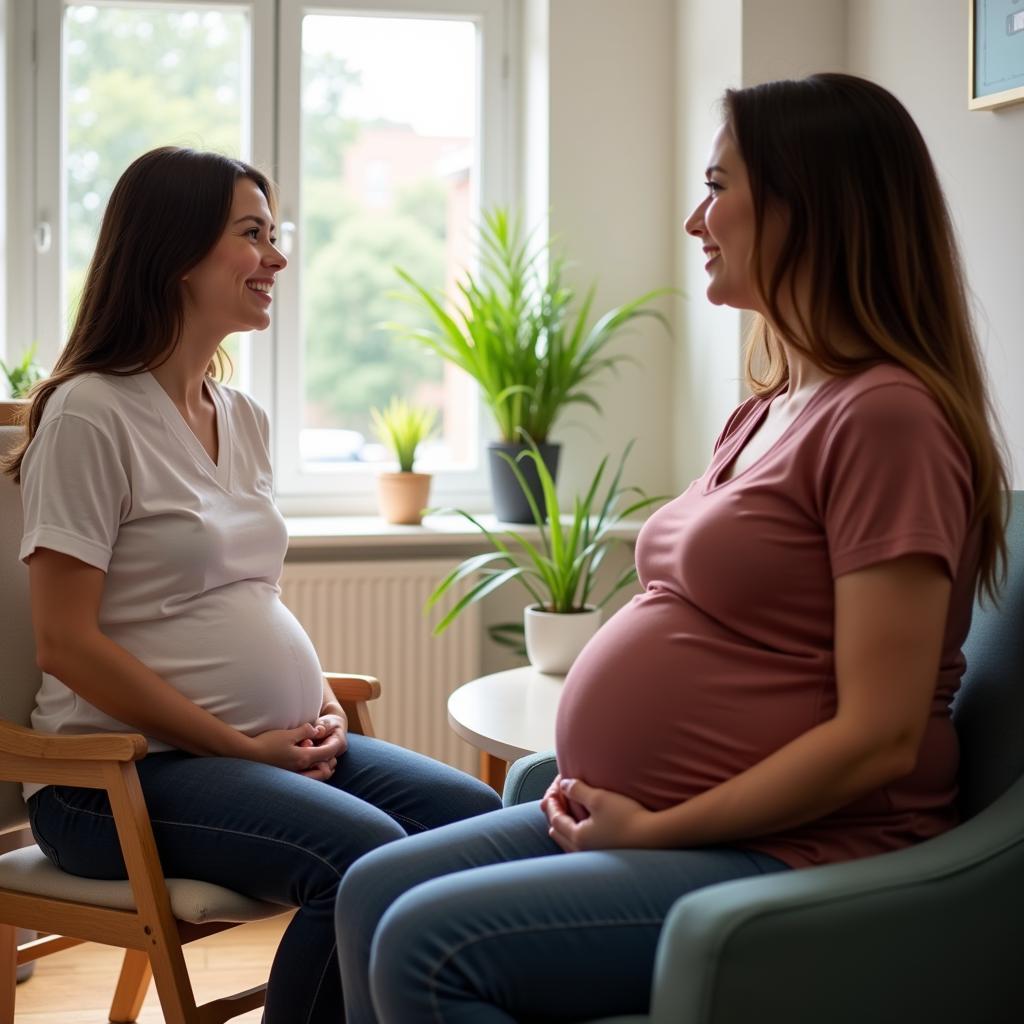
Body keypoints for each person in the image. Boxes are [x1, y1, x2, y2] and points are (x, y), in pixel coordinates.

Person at [332, 73, 1010, 1023]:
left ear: (807, 206)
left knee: (427, 945)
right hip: (664, 828)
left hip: (805, 849)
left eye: (718, 186)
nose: (698, 219)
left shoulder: (887, 420)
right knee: (367, 894)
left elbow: (881, 736)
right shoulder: (769, 407)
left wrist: (658, 828)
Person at [3, 146, 501, 1024]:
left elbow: (241, 599)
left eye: (277, 236)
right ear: (174, 252)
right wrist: (240, 747)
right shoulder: (90, 413)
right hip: (114, 778)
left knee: (479, 823)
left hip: (260, 748)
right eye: (252, 235)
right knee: (365, 860)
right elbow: (66, 643)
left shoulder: (244, 416)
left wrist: (316, 698)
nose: (276, 259)